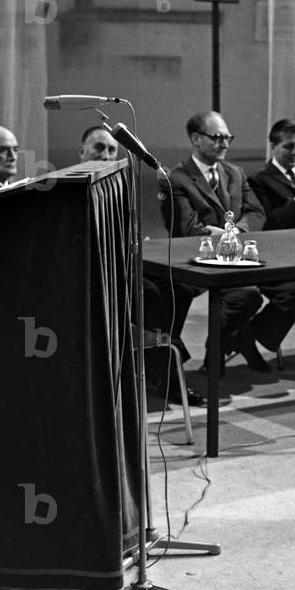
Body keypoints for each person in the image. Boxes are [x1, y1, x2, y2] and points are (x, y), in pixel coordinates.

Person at [167, 112, 295, 373]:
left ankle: (233, 339)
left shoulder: (235, 173)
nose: (225, 143)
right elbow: (187, 229)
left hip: (244, 258)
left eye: (228, 137)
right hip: (207, 263)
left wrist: (235, 231)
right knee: (246, 295)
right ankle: (228, 344)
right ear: (196, 139)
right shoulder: (177, 179)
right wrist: (226, 235)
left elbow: (257, 213)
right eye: (217, 137)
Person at [77, 123, 205, 406]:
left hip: (124, 264)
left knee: (181, 287)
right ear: (81, 152)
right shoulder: (72, 190)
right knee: (152, 294)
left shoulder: (117, 188)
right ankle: (169, 370)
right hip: (94, 276)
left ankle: (158, 365)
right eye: (99, 147)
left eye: (112, 149)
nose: (107, 154)